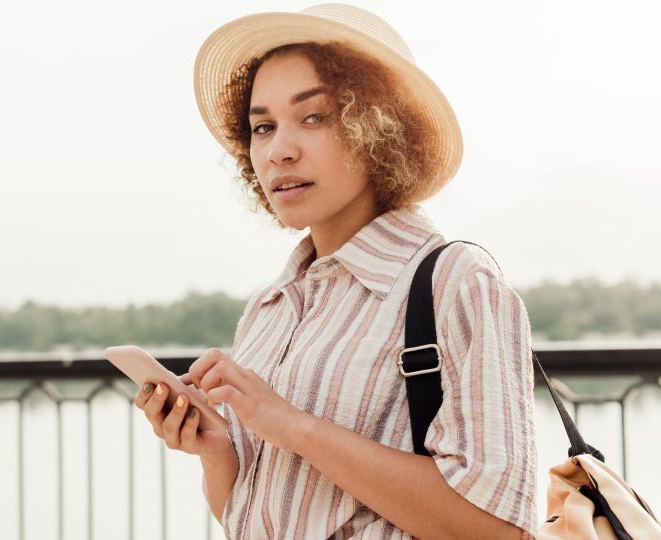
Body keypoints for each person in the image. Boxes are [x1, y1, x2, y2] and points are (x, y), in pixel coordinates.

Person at [134, 4, 538, 539]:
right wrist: (217, 452)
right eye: (262, 126)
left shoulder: (456, 281)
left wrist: (291, 425)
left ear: (379, 129)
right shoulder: (272, 306)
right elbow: (259, 517)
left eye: (314, 116)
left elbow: (501, 529)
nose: (279, 150)